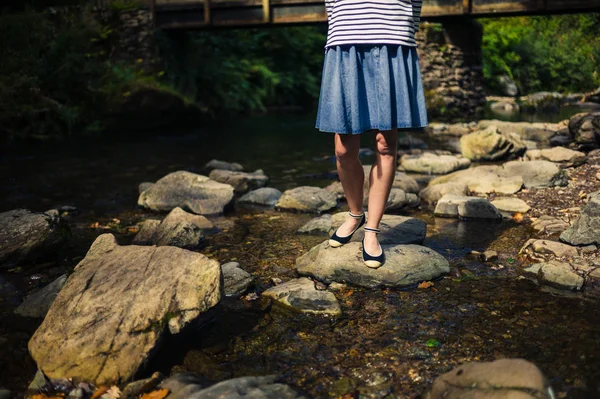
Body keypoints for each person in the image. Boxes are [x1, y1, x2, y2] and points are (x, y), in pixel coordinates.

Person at [316, 0, 428, 268]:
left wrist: (401, 35)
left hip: (392, 44)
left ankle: (372, 230)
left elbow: (415, 6)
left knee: (385, 145)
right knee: (343, 149)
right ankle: (356, 214)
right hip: (345, 45)